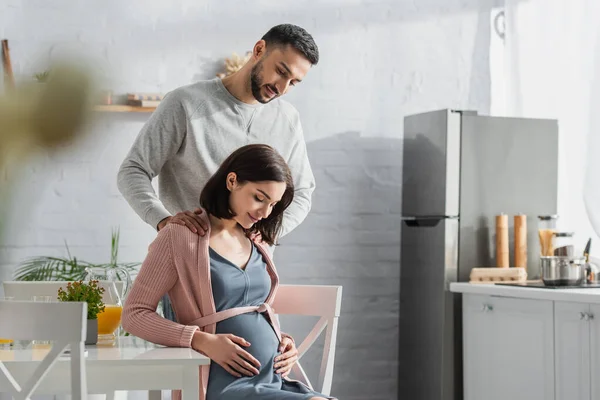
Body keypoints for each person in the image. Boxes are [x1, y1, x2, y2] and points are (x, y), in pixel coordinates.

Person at [121, 144, 335, 400]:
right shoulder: (180, 237)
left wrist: (282, 340)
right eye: (259, 197)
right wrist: (201, 340)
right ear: (232, 181)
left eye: (273, 204)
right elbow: (134, 315)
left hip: (275, 379)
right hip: (223, 384)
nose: (265, 213)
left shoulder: (257, 239)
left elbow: (251, 308)